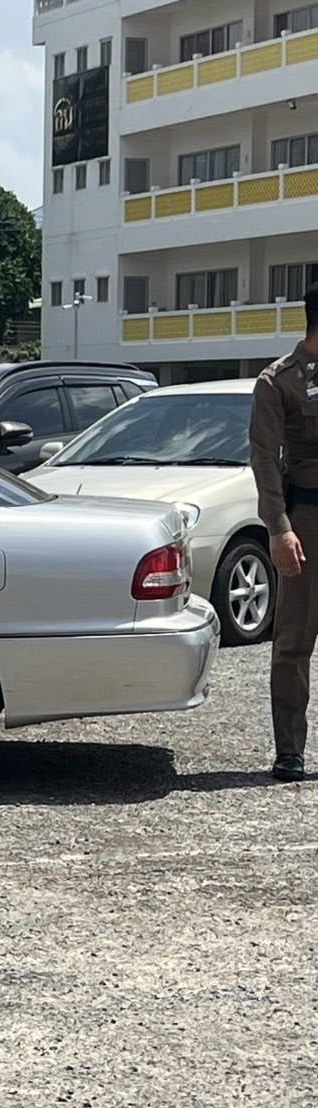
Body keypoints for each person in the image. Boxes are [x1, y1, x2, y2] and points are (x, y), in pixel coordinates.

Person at [250, 283, 318, 781]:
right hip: (307, 523)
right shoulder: (279, 381)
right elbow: (265, 461)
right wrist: (279, 528)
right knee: (293, 640)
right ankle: (289, 750)